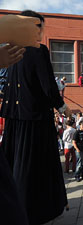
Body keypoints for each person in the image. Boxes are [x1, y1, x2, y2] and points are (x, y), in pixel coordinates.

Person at [0, 10, 70, 225]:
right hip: (35, 119)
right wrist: (62, 105)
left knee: (14, 164)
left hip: (14, 117)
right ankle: (35, 211)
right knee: (34, 167)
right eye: (38, 26)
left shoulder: (9, 50)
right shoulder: (37, 50)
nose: (40, 31)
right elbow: (47, 85)